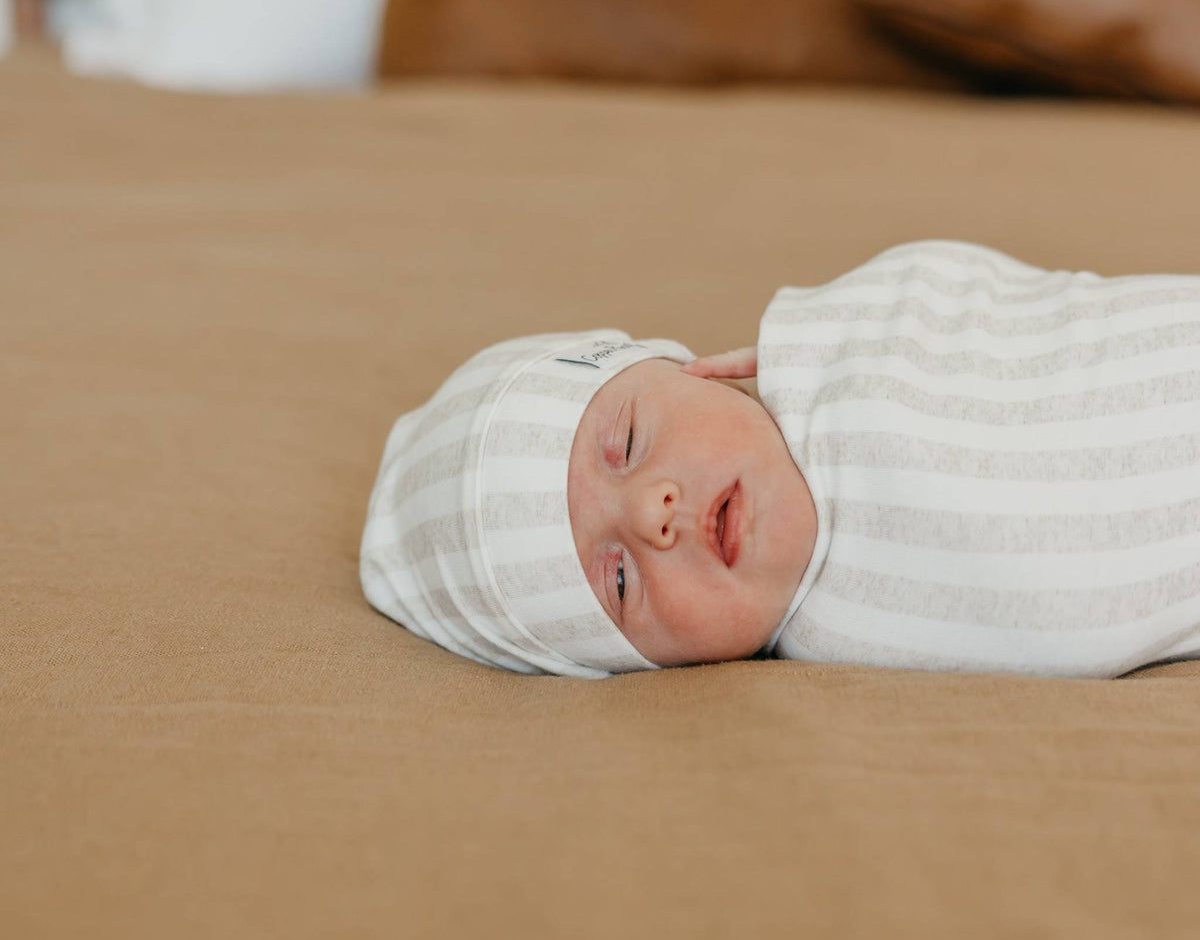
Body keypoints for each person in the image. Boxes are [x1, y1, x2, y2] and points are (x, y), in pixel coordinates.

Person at [361, 239, 1200, 679]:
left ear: (694, 368)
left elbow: (1008, 308)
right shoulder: (836, 642)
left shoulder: (856, 340)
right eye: (615, 581)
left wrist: (830, 338)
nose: (653, 511)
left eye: (625, 442)